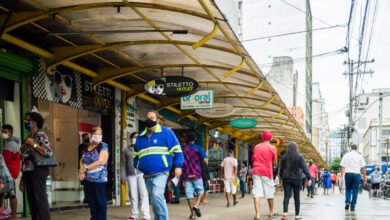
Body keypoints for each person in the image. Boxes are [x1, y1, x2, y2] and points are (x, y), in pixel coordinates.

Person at [134, 110, 184, 220]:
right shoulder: (140, 137)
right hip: (146, 174)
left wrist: (178, 166)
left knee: (157, 195)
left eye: (152, 117)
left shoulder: (166, 133)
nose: (149, 119)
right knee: (154, 199)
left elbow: (177, 150)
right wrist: (138, 166)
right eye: (147, 117)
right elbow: (136, 155)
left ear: (157, 120)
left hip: (161, 172)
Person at [20, 111, 52, 220]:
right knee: (31, 199)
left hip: (39, 170)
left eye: (29, 120)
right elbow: (24, 157)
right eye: (26, 120)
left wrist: (33, 144)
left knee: (40, 198)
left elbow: (48, 151)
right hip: (28, 171)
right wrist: (23, 178)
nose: (26, 122)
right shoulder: (28, 136)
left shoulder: (40, 134)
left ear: (35, 122)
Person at [79, 127, 109, 220]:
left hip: (99, 179)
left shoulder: (103, 146)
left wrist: (85, 168)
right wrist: (81, 171)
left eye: (99, 134)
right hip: (88, 179)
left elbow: (100, 161)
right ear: (91, 135)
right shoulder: (86, 146)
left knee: (100, 203)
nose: (97, 136)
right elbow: (82, 159)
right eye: (95, 134)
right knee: (92, 203)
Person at [121, 132, 150, 220]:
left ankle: (146, 215)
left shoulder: (143, 148)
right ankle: (134, 214)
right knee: (133, 195)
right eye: (134, 137)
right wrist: (123, 176)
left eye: (138, 137)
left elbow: (147, 161)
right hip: (130, 174)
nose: (136, 139)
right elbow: (123, 164)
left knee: (143, 194)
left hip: (141, 173)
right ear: (131, 139)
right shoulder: (126, 149)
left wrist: (147, 173)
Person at [279, 142, 311, 220]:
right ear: (296, 148)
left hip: (286, 179)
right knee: (297, 197)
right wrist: (308, 178)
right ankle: (297, 215)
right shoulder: (299, 157)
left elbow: (281, 169)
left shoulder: (284, 157)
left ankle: (285, 212)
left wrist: (281, 177)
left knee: (286, 196)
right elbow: (304, 168)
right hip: (297, 179)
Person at [252, 131, 278, 219]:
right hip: (266, 171)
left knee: (256, 192)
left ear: (262, 138)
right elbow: (275, 162)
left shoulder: (256, 147)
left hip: (256, 170)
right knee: (270, 192)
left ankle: (258, 214)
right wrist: (273, 165)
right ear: (271, 138)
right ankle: (271, 212)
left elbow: (253, 158)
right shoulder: (272, 148)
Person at [181, 131, 207, 219]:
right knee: (201, 192)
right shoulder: (198, 148)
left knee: (189, 195)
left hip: (186, 175)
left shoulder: (183, 149)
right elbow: (205, 160)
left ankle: (192, 214)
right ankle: (196, 205)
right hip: (196, 174)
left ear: (186, 139)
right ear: (194, 139)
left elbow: (179, 161)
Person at [1, 124, 20, 220]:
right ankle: (9, 215)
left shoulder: (10, 144)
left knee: (11, 194)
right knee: (7, 193)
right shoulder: (11, 143)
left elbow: (5, 161)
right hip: (10, 173)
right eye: (2, 131)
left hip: (8, 175)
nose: (3, 133)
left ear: (11, 133)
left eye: (5, 132)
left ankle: (13, 216)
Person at [340, 144, 366, 212]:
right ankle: (352, 206)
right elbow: (363, 168)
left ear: (350, 148)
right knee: (355, 190)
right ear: (356, 148)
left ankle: (347, 202)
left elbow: (342, 166)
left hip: (348, 174)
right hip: (356, 174)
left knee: (348, 189)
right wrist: (364, 177)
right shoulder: (359, 156)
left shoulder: (346, 155)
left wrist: (341, 176)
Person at [79, 133, 90, 203]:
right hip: (83, 166)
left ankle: (89, 197)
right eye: (85, 137)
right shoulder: (81, 146)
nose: (86, 138)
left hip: (90, 166)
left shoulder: (91, 146)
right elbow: (80, 157)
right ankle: (86, 197)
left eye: (87, 137)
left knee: (89, 182)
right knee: (84, 183)